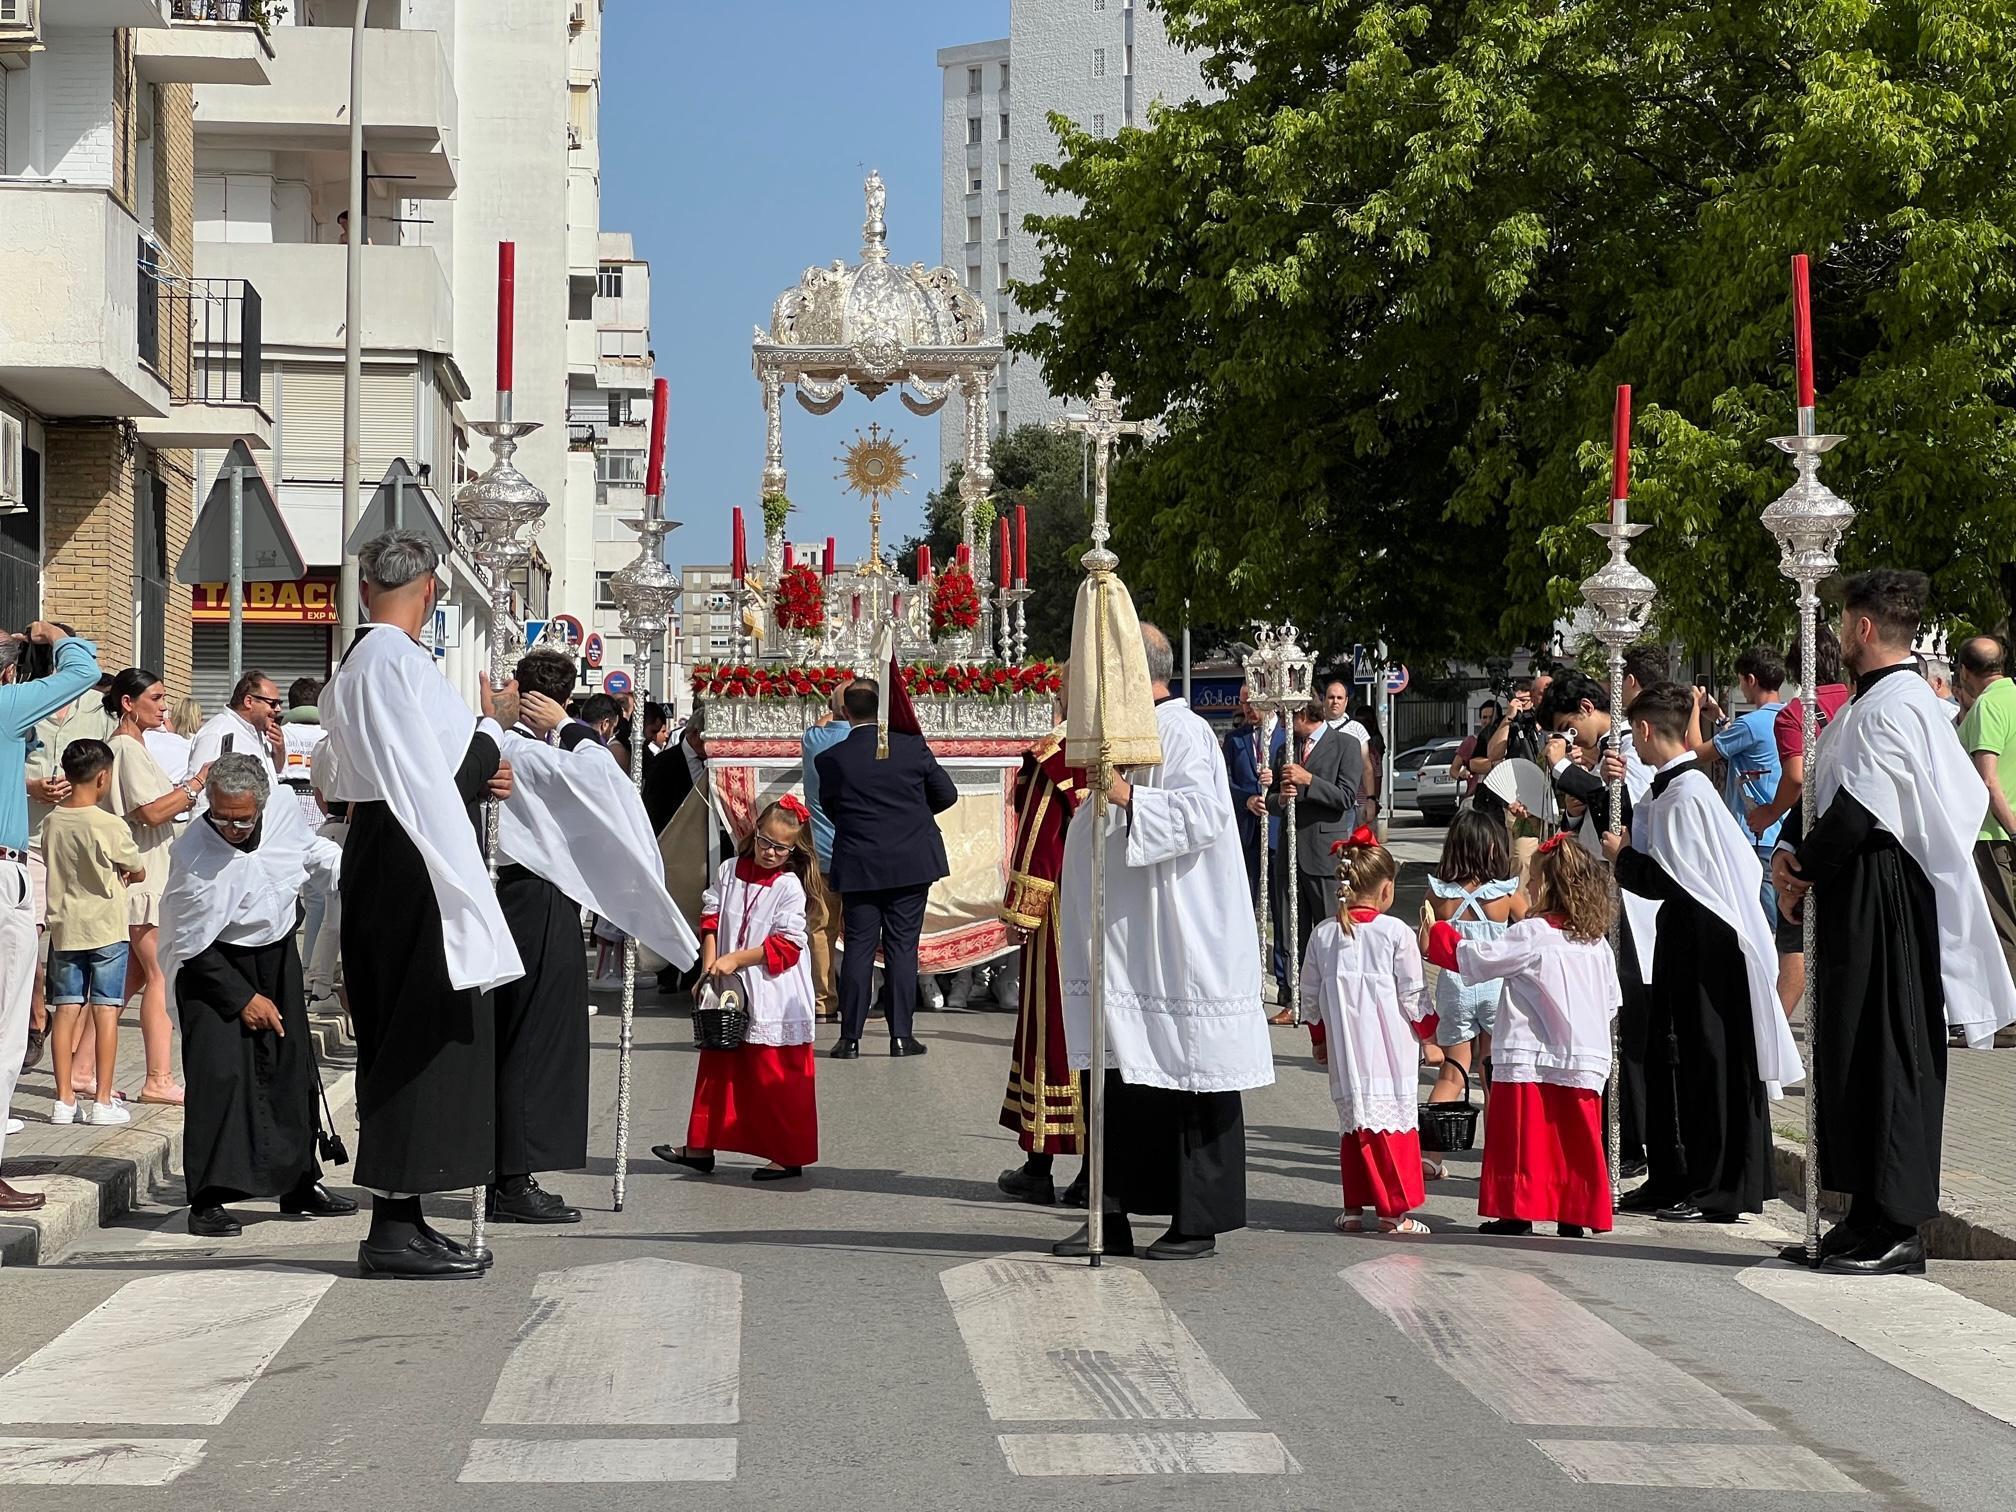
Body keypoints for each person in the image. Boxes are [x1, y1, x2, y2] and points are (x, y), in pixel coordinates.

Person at [1773, 571, 2016, 1275]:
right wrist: (1792, 855)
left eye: (1846, 623)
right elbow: (1822, 793)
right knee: (1853, 1048)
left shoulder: (1895, 706)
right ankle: (1865, 1214)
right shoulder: (1870, 703)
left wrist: (1801, 871)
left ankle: (1901, 1227)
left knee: (1891, 1052)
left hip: (1887, 891)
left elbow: (1859, 810)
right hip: (1856, 889)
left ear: (1863, 629)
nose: (1841, 636)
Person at [322, 528, 523, 1281]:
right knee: (420, 1035)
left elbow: (340, 774)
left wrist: (482, 754)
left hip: (385, 847)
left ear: (366, 585)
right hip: (411, 858)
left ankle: (404, 1215)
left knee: (414, 1032)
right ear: (432, 590)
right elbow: (439, 780)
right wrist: (494, 725)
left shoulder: (359, 661)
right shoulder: (394, 661)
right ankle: (392, 1231)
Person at [1055, 623, 1274, 1262]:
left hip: (1178, 939)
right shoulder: (1123, 736)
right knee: (1118, 1074)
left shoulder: (1182, 730)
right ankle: (1111, 1213)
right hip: (1127, 940)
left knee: (1188, 1072)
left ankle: (1194, 1222)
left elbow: (1201, 815)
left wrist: (1121, 792)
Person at [491, 648, 698, 1223]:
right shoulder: (527, 750)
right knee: (531, 1036)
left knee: (524, 1034)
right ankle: (510, 1178)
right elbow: (611, 788)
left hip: (529, 896)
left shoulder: (520, 746)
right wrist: (574, 729)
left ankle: (507, 1170)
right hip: (531, 895)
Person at [1604, 682, 1804, 1224]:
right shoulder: (1673, 788)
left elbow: (1670, 877)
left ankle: (1717, 1185)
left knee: (1709, 1064)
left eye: (1634, 735)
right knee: (1675, 1059)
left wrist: (1621, 857)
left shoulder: (1689, 793)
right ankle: (1673, 1174)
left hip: (1709, 948)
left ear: (1645, 730)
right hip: (1685, 941)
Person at [160, 754, 354, 1238]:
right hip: (214, 966)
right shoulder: (194, 854)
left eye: (243, 818)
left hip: (277, 956)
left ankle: (299, 1182)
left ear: (262, 806)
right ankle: (207, 1198)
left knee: (291, 1072)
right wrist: (242, 998)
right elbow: (190, 940)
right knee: (220, 1079)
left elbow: (308, 853)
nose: (232, 827)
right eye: (222, 816)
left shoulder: (285, 809)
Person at [1423, 834, 1619, 1237]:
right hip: (1583, 1053)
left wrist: (1439, 936)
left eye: (1532, 880)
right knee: (1575, 1141)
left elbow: (1481, 959)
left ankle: (1517, 1212)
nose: (1526, 887)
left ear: (1548, 886)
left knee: (1522, 1139)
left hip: (1530, 1051)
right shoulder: (1596, 943)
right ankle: (1575, 1214)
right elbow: (1612, 1001)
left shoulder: (1533, 933)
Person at [655, 798, 821, 1180]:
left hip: (773, 993)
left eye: (781, 848)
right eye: (765, 842)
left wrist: (735, 960)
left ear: (794, 850)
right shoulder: (729, 871)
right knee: (718, 1065)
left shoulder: (789, 887)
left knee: (775, 1075)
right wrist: (710, 968)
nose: (770, 853)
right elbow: (711, 918)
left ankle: (787, 1153)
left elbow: (788, 945)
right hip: (730, 989)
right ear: (754, 834)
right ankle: (700, 1146)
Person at [0, 622, 102, 1213]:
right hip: (3, 869)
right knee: (9, 1030)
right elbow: (84, 672)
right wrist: (55, 633)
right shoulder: (8, 703)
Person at [814, 677, 957, 1059]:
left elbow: (832, 807)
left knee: (859, 947)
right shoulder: (912, 748)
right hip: (910, 860)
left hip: (860, 860)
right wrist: (910, 816)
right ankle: (900, 1036)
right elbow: (947, 794)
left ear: (845, 713)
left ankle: (850, 1039)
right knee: (901, 948)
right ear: (884, 710)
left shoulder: (831, 759)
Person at [1301, 832, 1435, 1235]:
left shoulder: (1324, 934)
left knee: (1355, 1123)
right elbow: (1413, 993)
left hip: (1346, 1048)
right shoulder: (1395, 932)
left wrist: (1320, 1040)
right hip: (1388, 1048)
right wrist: (1430, 1036)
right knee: (1391, 1126)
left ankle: (1355, 1208)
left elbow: (1310, 997)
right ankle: (1395, 1213)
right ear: (1387, 888)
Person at [995, 682, 1086, 1208]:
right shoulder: (1129, 749)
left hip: (1060, 916)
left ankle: (1041, 1164)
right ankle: (1096, 1170)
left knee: (1050, 1028)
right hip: (1115, 911)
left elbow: (1040, 838)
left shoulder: (1056, 757)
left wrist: (1021, 911)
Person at [105, 669, 212, 1106]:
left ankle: (82, 1067)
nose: (164, 706)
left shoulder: (136, 747)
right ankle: (158, 1077)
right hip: (144, 873)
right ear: (129, 702)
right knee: (160, 974)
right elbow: (149, 812)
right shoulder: (126, 748)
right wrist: (197, 783)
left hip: (150, 871)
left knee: (128, 978)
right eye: (156, 697)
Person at [20, 667, 117, 1083]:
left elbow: (111, 768)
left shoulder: (100, 711)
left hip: (84, 839)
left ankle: (67, 1036)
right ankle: (34, 1017)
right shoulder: (24, 708)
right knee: (28, 936)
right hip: (32, 837)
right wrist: (32, 786)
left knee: (78, 939)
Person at [41, 740, 143, 1129]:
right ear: (102, 777)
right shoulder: (110, 824)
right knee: (106, 1012)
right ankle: (102, 1099)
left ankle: (63, 1099)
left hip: (66, 927)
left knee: (65, 1010)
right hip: (106, 929)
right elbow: (135, 866)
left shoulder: (51, 821)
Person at [1751, 624, 1850, 1016]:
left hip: (1813, 833)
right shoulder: (1856, 700)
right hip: (1860, 836)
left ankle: (1773, 1037)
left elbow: (1796, 776)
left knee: (1794, 941)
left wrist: (1770, 814)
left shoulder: (1795, 713)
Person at [1424, 809, 1521, 1108]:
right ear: (1492, 848)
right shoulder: (1506, 894)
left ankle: (1431, 1153)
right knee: (1493, 1074)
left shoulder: (1437, 894)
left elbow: (1426, 947)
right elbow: (1533, 930)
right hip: (1495, 983)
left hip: (1455, 985)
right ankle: (1495, 1153)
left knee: (1452, 1075)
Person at [1267, 699, 1362, 990]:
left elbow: (1346, 797)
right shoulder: (1286, 749)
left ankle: (1332, 993)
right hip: (1289, 851)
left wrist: (1309, 780)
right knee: (1290, 931)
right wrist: (1280, 799)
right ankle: (1293, 995)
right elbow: (1272, 799)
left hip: (1322, 855)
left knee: (1328, 928)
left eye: (1287, 716)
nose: (1283, 724)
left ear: (1303, 712)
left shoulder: (1345, 744)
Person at [1692, 648, 1788, 929]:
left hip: (1753, 837)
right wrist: (1720, 719)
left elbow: (1698, 753)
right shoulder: (1789, 717)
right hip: (1781, 832)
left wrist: (1694, 711)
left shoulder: (1750, 724)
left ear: (1750, 679)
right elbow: (1745, 742)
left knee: (1762, 924)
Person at [1956, 636, 2016, 993]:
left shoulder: (1988, 707)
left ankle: (2009, 1018)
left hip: (1992, 833)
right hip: (2002, 829)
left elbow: (1988, 780)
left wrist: (2011, 830)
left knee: (2001, 925)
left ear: (1965, 671)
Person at [799, 686, 850, 1023]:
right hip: (860, 851)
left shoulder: (813, 740)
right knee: (860, 928)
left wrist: (832, 709)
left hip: (822, 850)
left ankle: (823, 1000)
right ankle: (862, 996)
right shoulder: (874, 742)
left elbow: (821, 723)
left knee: (821, 927)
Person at [188, 670, 287, 783]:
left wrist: (279, 750)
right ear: (249, 701)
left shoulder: (258, 730)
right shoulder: (218, 734)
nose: (278, 709)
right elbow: (197, 788)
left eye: (280, 703)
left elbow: (276, 771)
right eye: (273, 703)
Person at [1451, 699, 1502, 799]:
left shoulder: (1504, 741)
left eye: (1491, 718)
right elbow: (1453, 770)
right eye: (1484, 717)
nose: (1487, 721)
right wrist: (1461, 775)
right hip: (1475, 796)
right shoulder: (1470, 741)